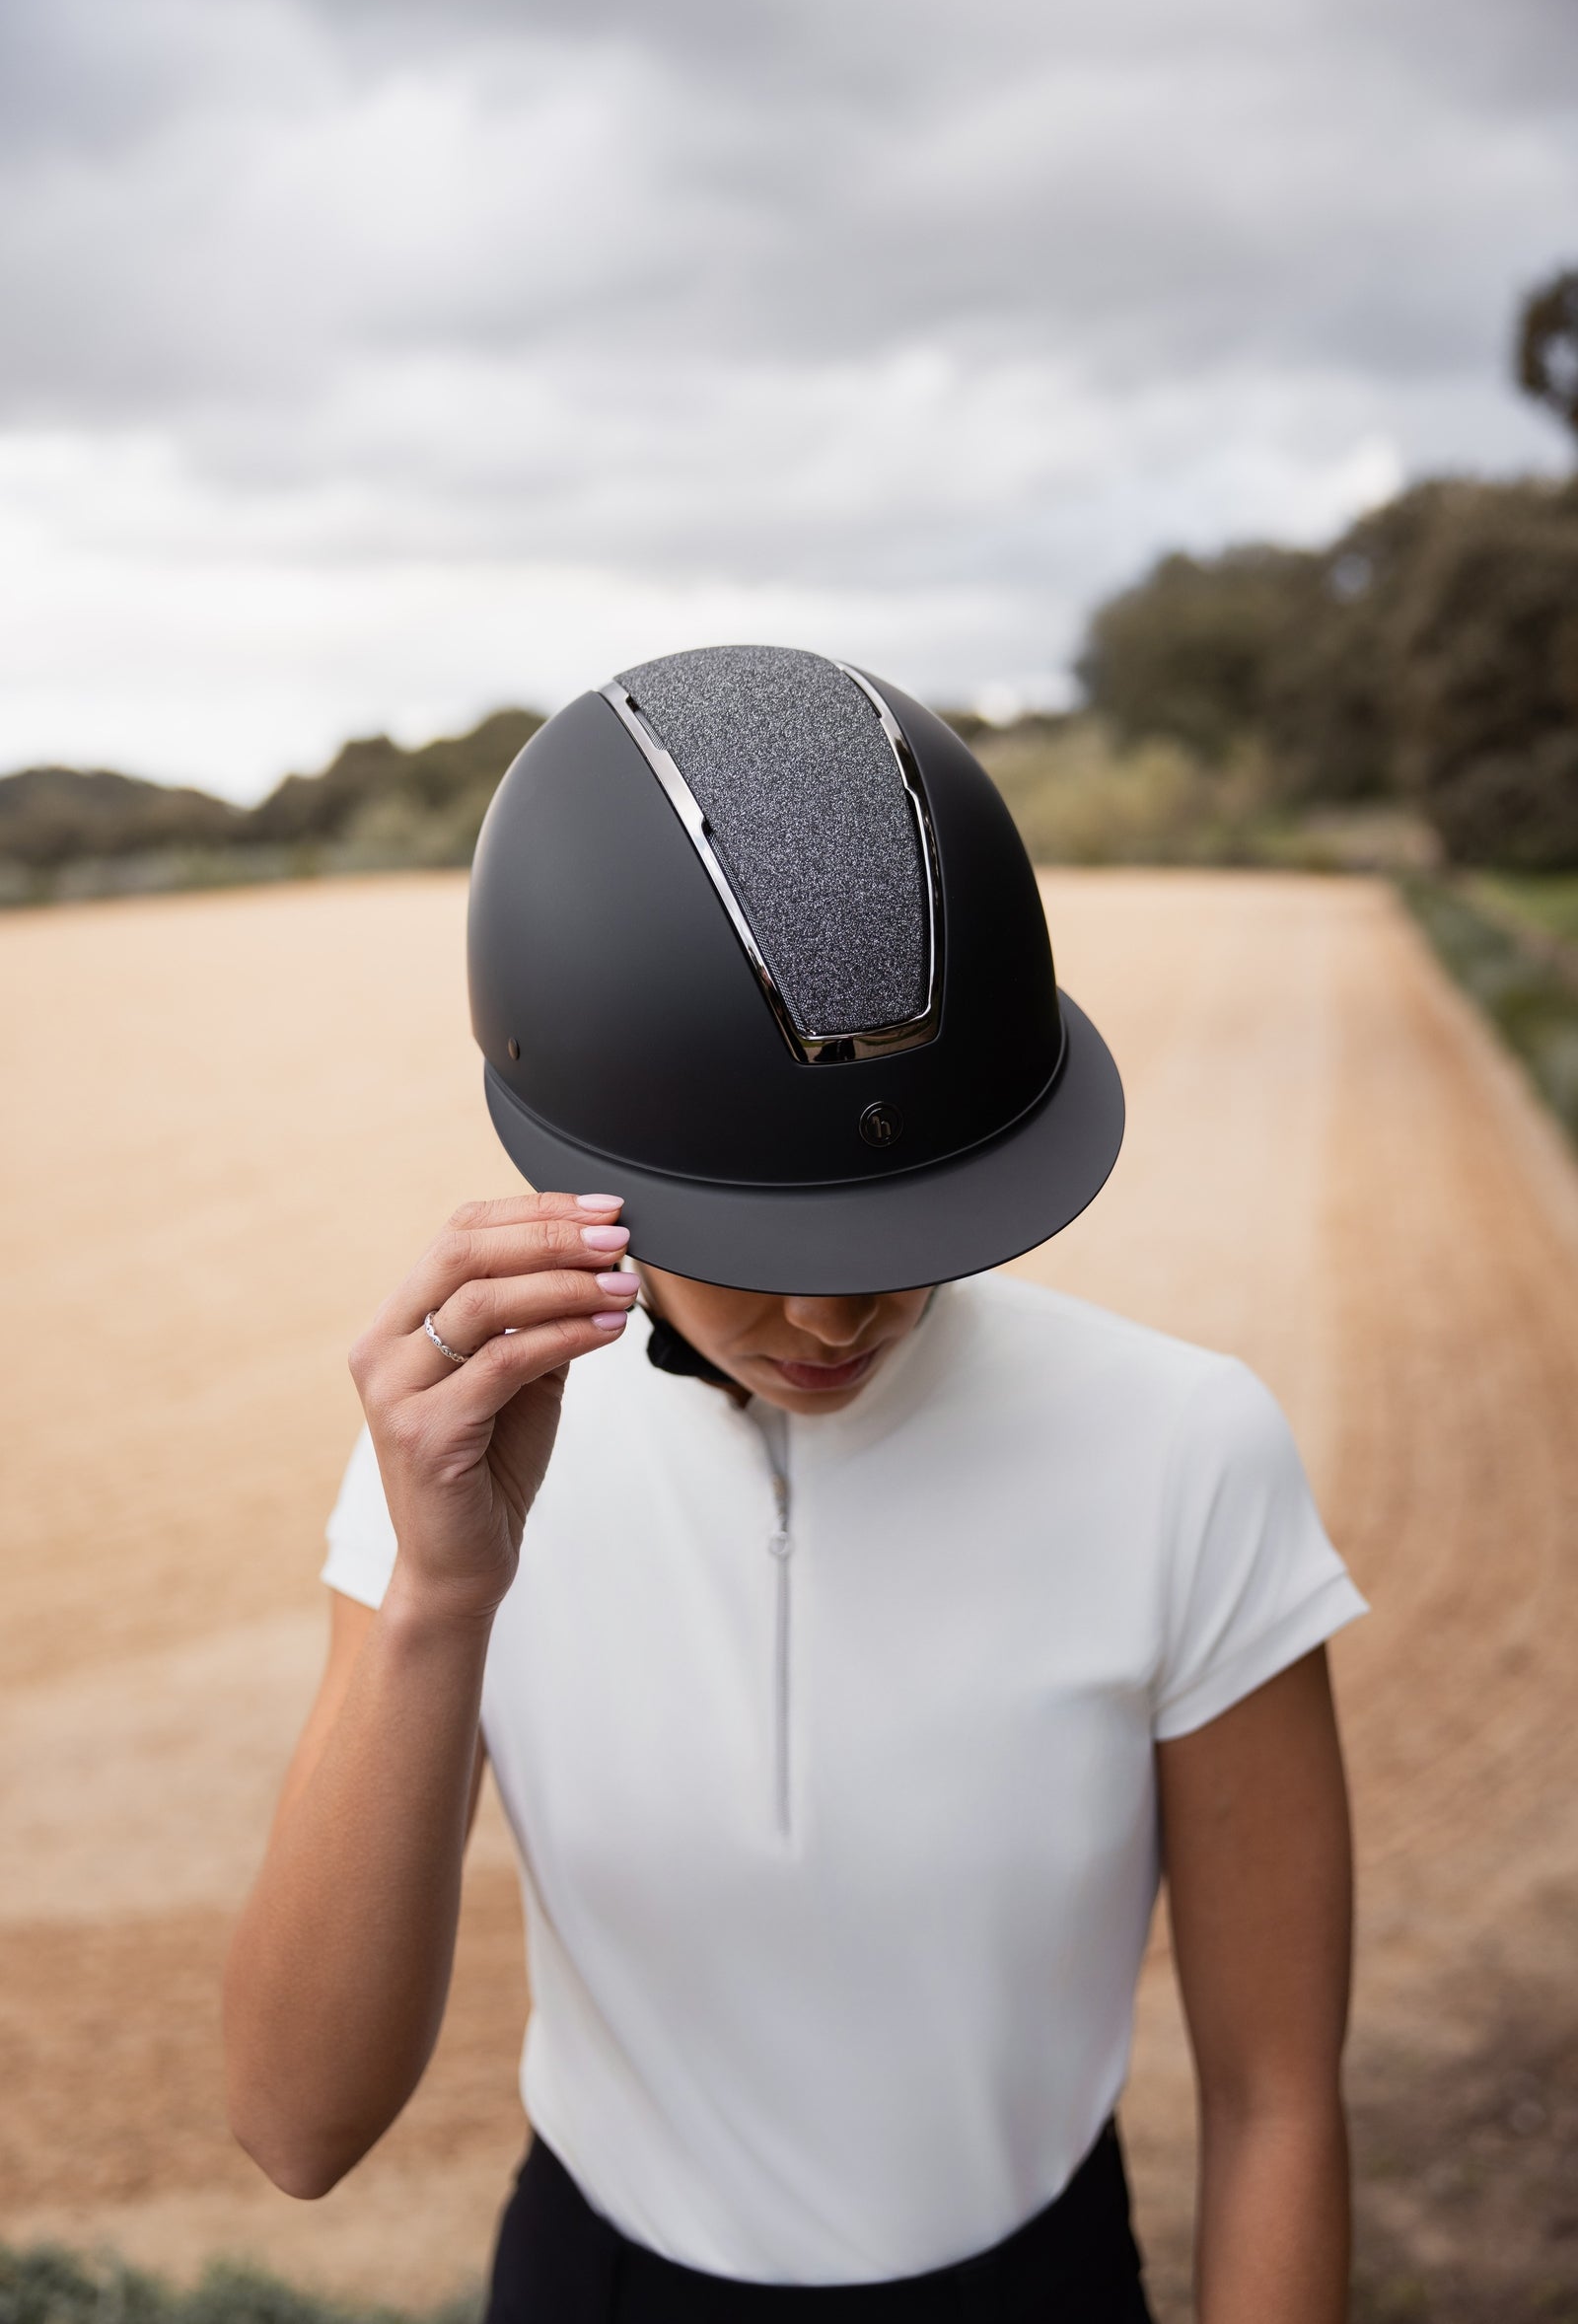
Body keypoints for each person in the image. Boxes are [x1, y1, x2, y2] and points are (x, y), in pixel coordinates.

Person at [225, 647, 1365, 2323]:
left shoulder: (1186, 1449)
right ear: (573, 1153)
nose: (834, 1318)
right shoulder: (450, 1471)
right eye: (759, 1244)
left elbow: (1276, 2103)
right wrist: (441, 1597)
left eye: (903, 1230)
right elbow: (295, 2125)